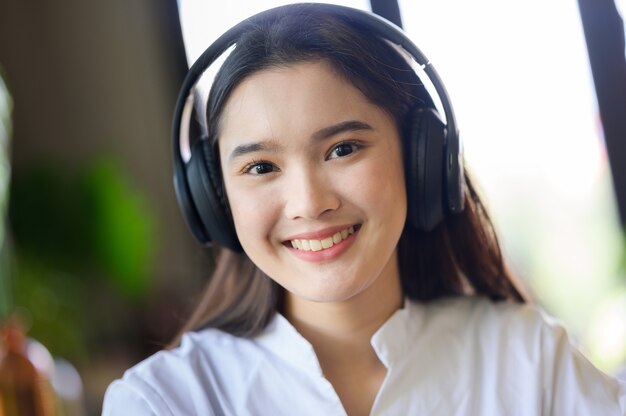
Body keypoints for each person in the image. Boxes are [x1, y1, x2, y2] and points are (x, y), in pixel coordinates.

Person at [102, 3, 626, 415]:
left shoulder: (529, 359)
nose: (309, 203)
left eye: (343, 148)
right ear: (215, 201)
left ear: (422, 158)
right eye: (261, 167)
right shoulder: (163, 402)